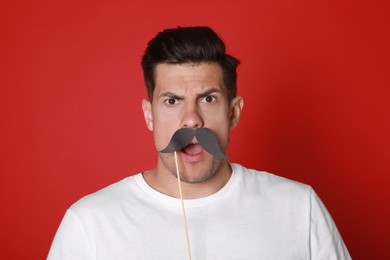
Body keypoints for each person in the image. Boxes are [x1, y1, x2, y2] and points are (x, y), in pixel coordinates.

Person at [48, 26, 351, 259]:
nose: (191, 120)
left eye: (208, 99)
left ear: (233, 112)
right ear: (148, 115)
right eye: (172, 101)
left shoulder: (299, 208)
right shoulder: (90, 224)